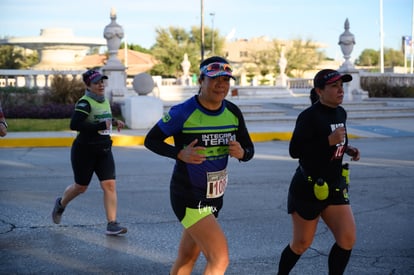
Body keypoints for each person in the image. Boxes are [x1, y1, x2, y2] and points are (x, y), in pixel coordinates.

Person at [144, 56, 254, 275]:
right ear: (201, 80)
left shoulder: (233, 112)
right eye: (214, 79)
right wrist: (179, 153)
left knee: (187, 257)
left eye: (226, 80)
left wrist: (243, 153)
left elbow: (248, 149)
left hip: (215, 196)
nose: (221, 85)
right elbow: (151, 140)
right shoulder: (183, 112)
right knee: (219, 258)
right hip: (189, 195)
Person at [277, 69, 360, 275]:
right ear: (319, 91)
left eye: (342, 85)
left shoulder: (341, 113)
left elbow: (337, 141)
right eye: (334, 86)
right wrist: (327, 142)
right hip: (308, 186)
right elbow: (295, 151)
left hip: (335, 185)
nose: (340, 90)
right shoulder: (308, 117)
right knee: (301, 244)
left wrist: (346, 148)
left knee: (347, 239)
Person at [52, 69, 127, 236]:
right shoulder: (85, 103)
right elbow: (75, 125)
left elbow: (102, 119)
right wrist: (102, 126)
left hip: (104, 149)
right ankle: (61, 204)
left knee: (109, 185)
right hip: (84, 151)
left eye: (102, 81)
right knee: (81, 187)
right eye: (96, 82)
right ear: (88, 85)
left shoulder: (103, 100)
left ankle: (112, 223)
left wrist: (115, 121)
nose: (101, 85)